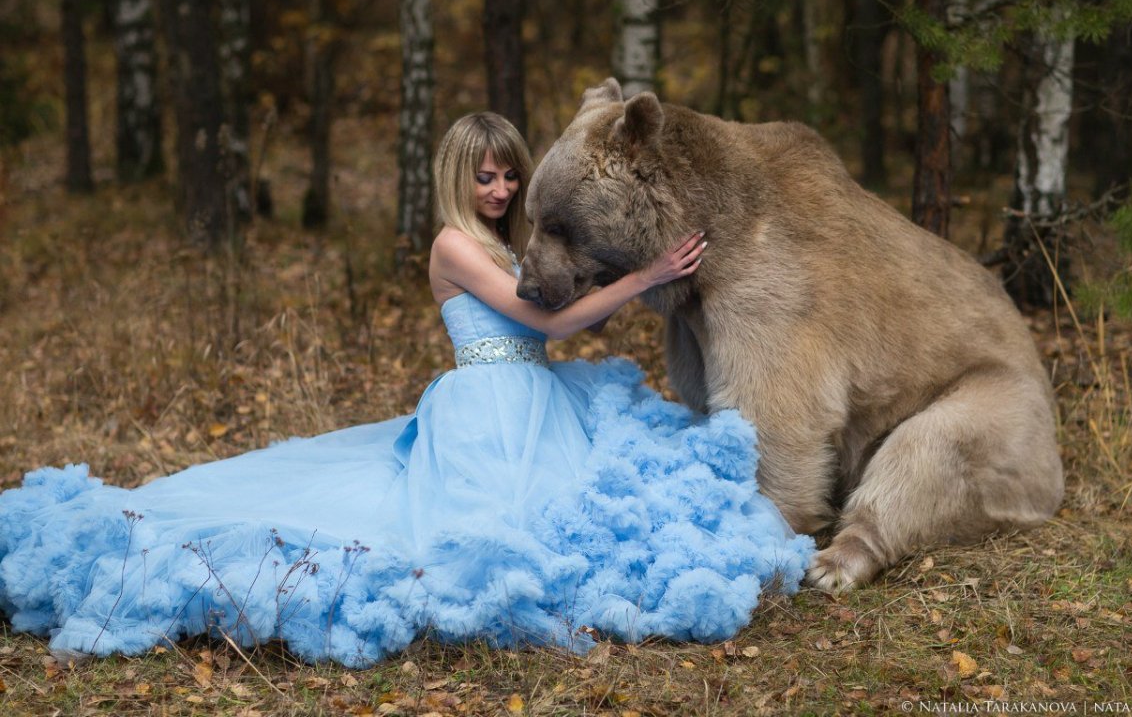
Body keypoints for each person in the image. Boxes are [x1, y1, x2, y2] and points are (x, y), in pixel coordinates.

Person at [0, 113, 813, 668]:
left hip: (542, 400)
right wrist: (647, 275)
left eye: (510, 178)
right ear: (461, 177)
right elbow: (551, 323)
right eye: (487, 178)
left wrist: (622, 269)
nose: (500, 192)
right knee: (455, 534)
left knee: (615, 502)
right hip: (490, 408)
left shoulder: (508, 242)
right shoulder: (456, 246)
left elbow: (564, 317)